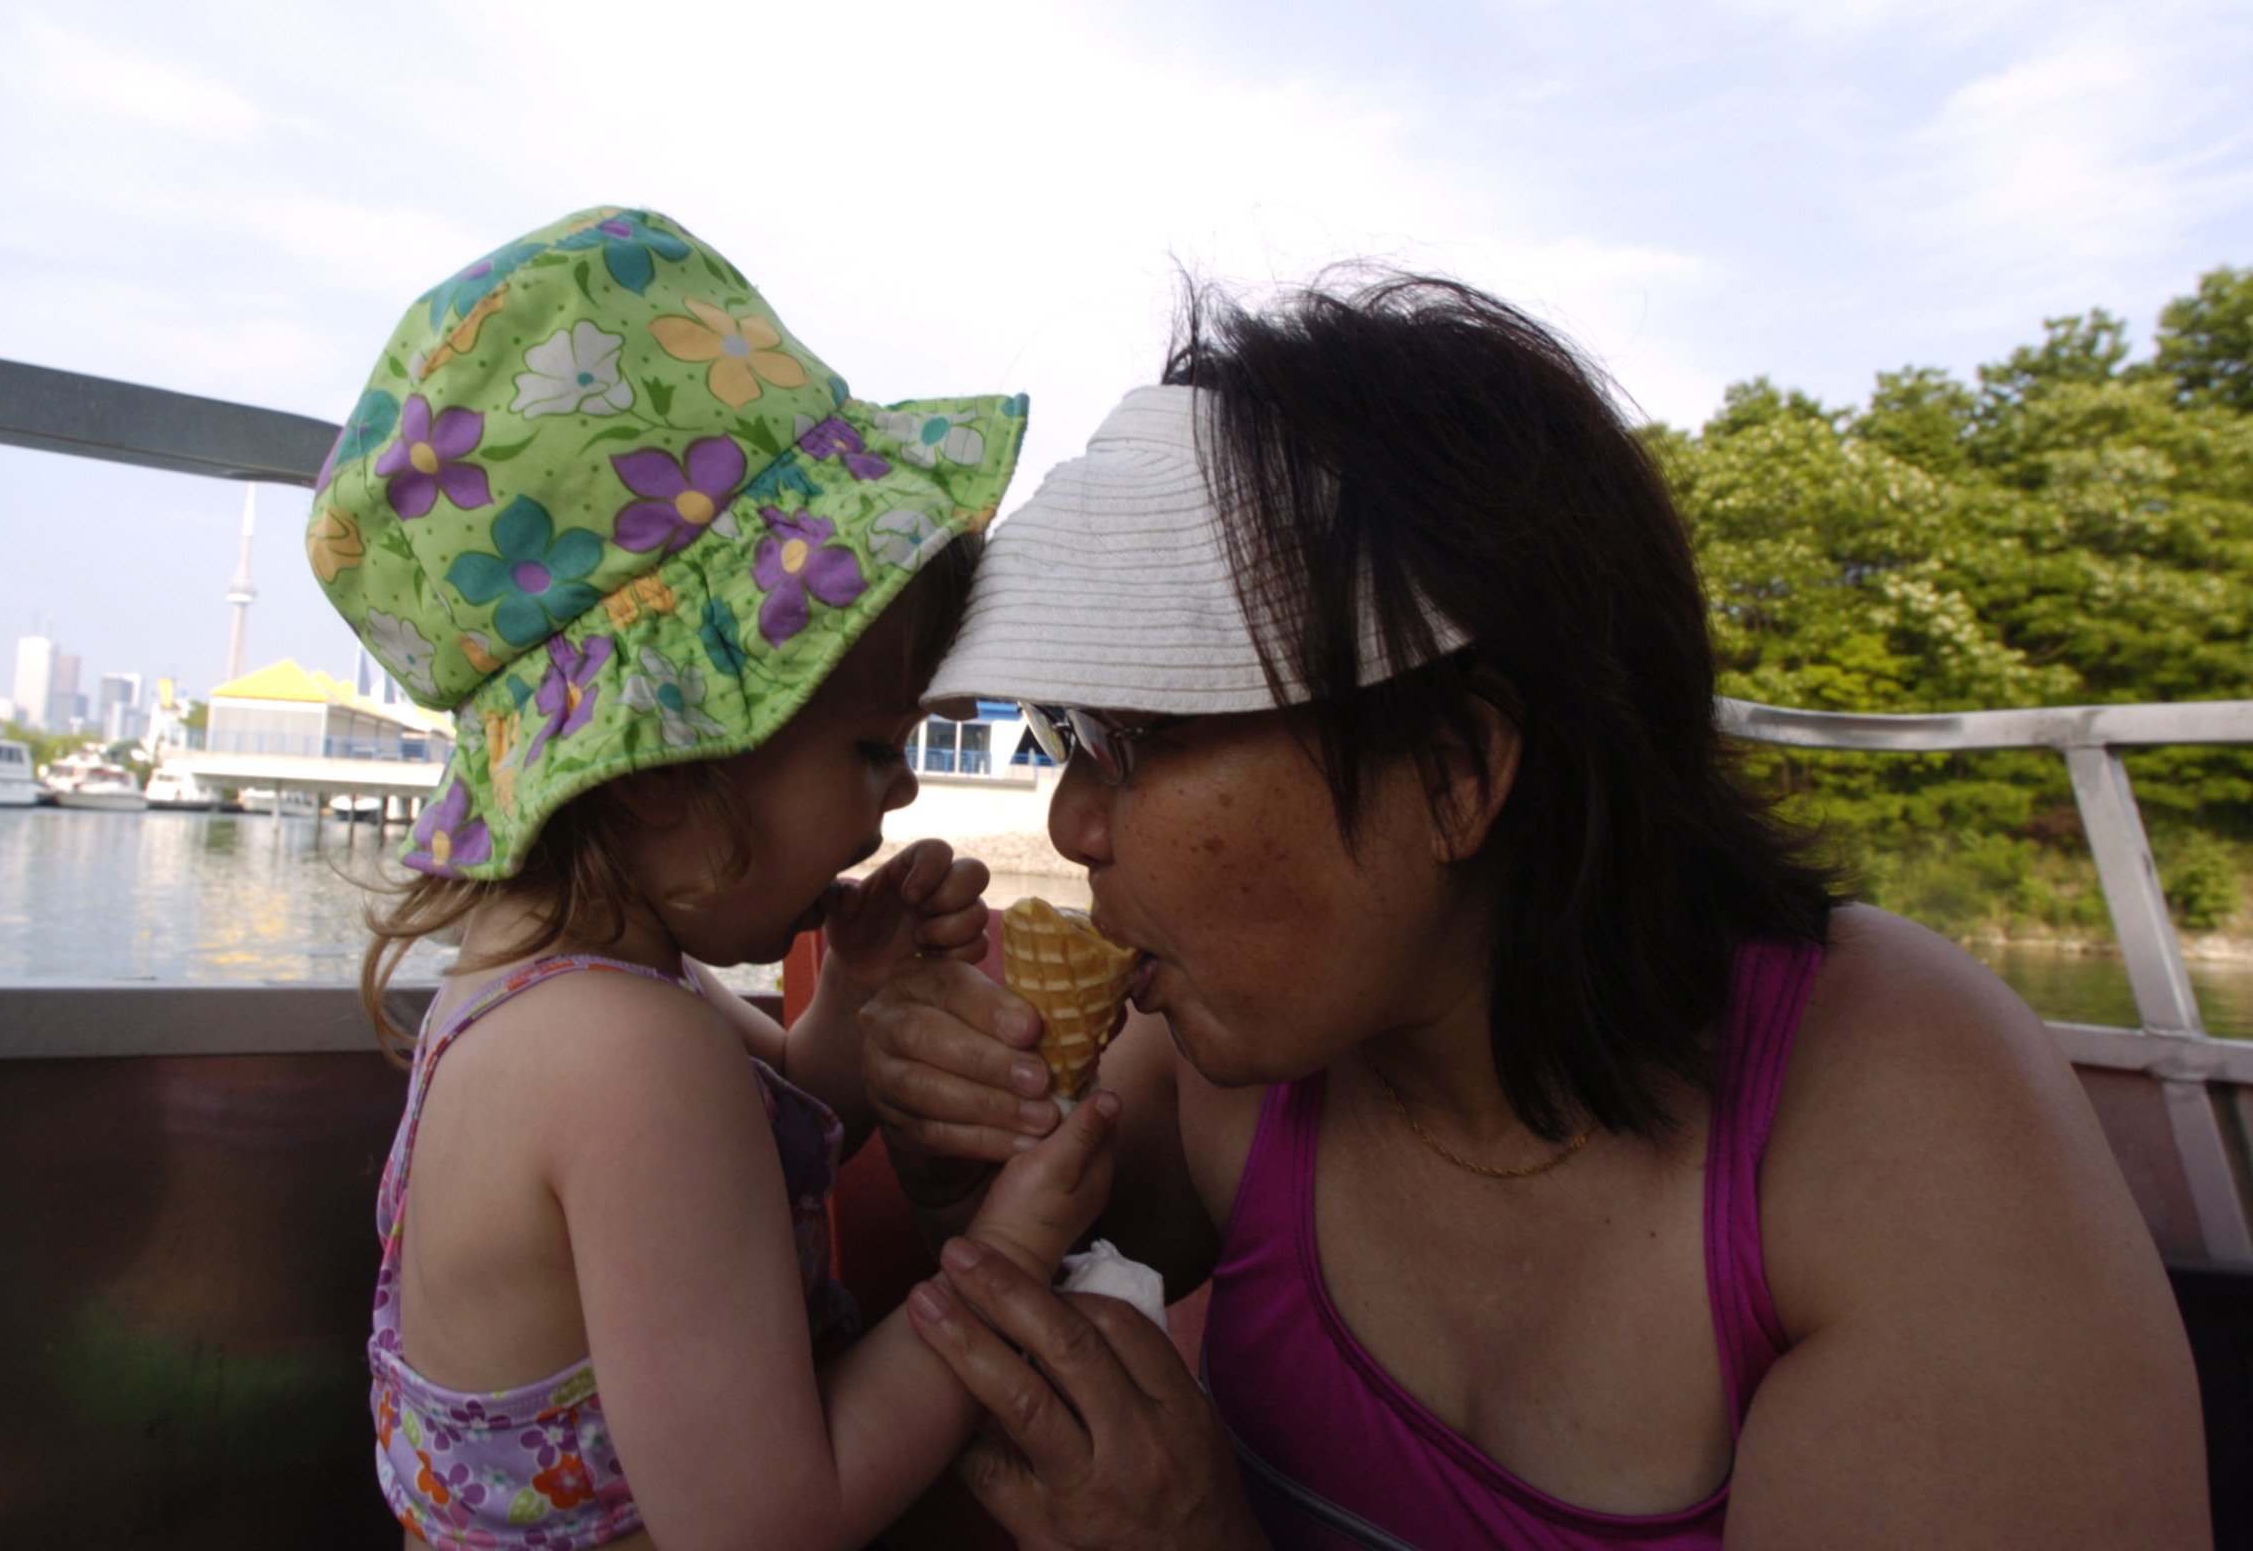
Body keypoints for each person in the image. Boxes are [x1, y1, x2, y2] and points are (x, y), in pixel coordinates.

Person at [863, 274, 2211, 1549]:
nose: (1072, 825)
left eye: (1139, 738)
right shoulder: (1239, 1063)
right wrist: (959, 1175)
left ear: (1456, 772)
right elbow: (1067, 1266)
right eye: (1073, 736)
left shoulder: (1901, 1129)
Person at [312, 207, 1120, 1550]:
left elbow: (774, 1135)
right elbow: (770, 1523)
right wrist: (1012, 1258)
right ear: (664, 757)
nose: (900, 795)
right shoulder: (629, 1057)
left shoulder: (560, 996)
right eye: (872, 747)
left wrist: (848, 1002)